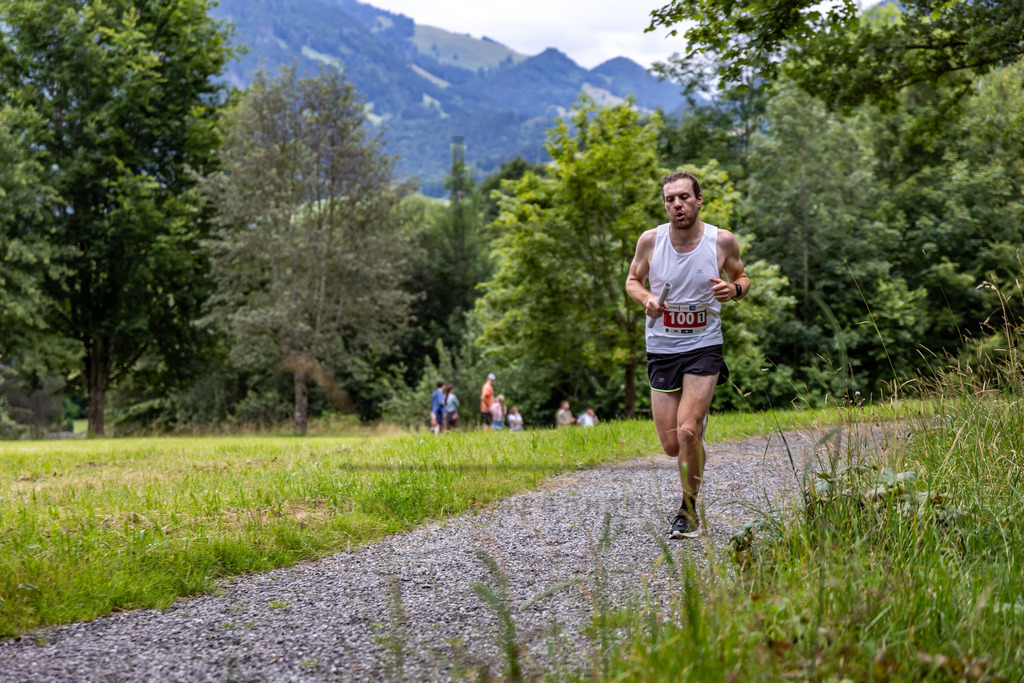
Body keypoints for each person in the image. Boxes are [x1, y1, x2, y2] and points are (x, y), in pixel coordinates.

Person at [625, 170, 751, 540]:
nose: (677, 205)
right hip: (662, 348)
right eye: (670, 199)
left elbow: (742, 277)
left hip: (704, 345)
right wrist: (646, 297)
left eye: (683, 197)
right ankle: (692, 445)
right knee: (670, 445)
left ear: (698, 199)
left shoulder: (721, 240)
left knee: (687, 429)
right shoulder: (650, 242)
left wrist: (735, 291)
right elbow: (632, 280)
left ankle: (688, 510)